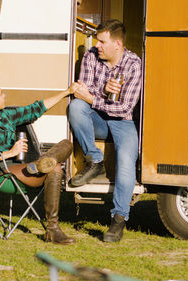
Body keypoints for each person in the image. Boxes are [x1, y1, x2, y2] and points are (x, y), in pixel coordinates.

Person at [0, 79, 77, 245]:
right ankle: (52, 230)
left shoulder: (5, 116)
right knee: (54, 169)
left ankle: (44, 163)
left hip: (17, 167)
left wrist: (66, 92)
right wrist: (10, 152)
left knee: (67, 144)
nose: (5, 96)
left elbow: (35, 109)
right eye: (0, 93)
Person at [68, 19, 142, 242]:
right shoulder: (92, 56)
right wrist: (102, 90)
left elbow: (124, 108)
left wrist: (93, 97)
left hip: (123, 122)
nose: (96, 45)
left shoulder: (133, 64)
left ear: (117, 44)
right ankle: (95, 161)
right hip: (98, 119)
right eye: (97, 40)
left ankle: (119, 219)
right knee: (76, 106)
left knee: (127, 162)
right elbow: (82, 91)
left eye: (102, 41)